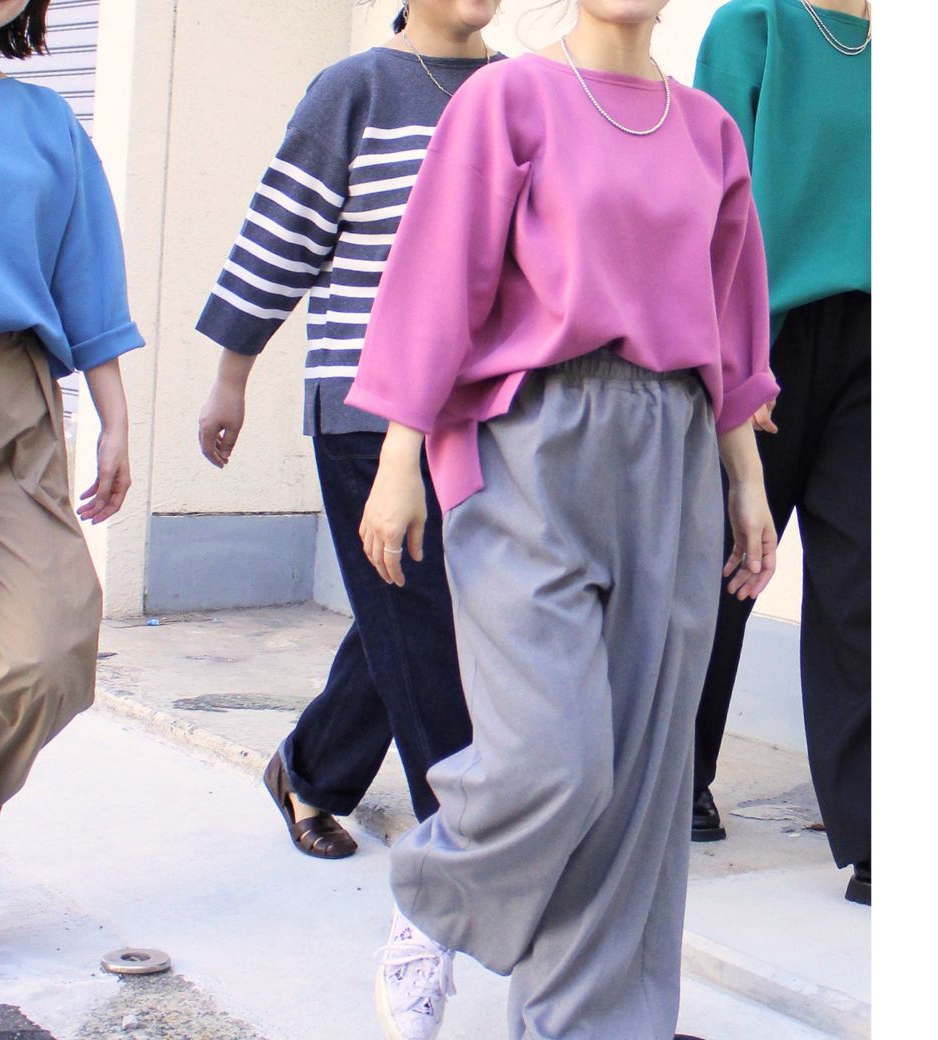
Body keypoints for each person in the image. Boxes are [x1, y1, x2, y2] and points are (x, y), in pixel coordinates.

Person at [346, 1, 780, 1036]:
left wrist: (745, 480)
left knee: (642, 781)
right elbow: (438, 279)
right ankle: (435, 899)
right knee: (554, 756)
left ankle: (591, 1023)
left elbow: (728, 319)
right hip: (529, 440)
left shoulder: (708, 129)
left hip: (674, 447)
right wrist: (400, 455)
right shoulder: (509, 98)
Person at [196, 1, 505, 859]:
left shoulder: (521, 88)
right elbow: (281, 234)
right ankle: (464, 840)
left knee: (409, 615)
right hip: (367, 408)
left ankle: (309, 771)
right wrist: (231, 376)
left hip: (488, 412)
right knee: (421, 623)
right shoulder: (356, 89)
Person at [0, 0, 142, 983]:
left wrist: (114, 416)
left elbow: (87, 275)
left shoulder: (46, 121)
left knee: (55, 644)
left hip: (17, 397)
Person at [688, 0, 871, 907]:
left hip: (879, 337)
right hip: (770, 333)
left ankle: (877, 829)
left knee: (864, 582)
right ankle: (678, 772)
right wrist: (736, 354)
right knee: (727, 565)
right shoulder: (753, 26)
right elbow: (711, 210)